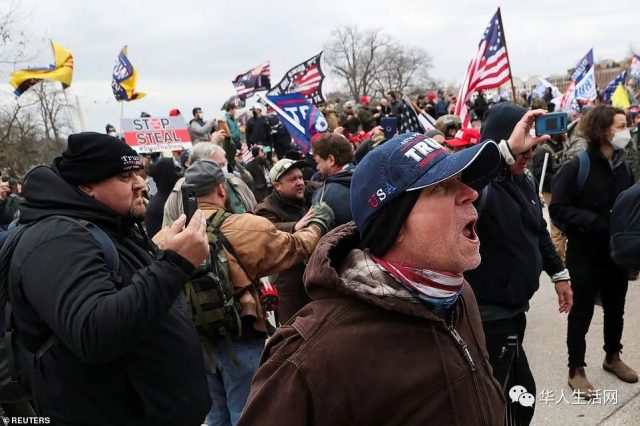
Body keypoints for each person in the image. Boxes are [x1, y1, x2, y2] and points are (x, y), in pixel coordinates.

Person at [239, 114, 548, 425]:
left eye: (462, 182)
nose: (471, 194)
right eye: (442, 187)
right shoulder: (311, 357)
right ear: (395, 224)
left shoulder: (458, 295)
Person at [7, 133, 211, 425]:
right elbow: (94, 331)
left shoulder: (113, 224)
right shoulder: (57, 238)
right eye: (125, 176)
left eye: (139, 172)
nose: (141, 183)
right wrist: (175, 263)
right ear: (87, 185)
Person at [155, 159, 333, 426]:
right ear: (221, 189)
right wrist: (319, 221)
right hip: (241, 331)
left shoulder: (165, 237)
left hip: (195, 336)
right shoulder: (248, 226)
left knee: (216, 416)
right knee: (248, 410)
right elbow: (298, 246)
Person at [465, 103, 572, 425]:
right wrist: (504, 154)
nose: (528, 154)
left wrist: (559, 274)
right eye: (521, 145)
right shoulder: (475, 187)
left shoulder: (522, 181)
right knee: (498, 396)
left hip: (516, 309)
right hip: (488, 314)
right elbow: (467, 186)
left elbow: (537, 231)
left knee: (517, 392)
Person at [550, 105, 637, 397]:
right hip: (585, 254)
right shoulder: (578, 165)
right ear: (603, 130)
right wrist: (592, 222)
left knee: (616, 310)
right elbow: (558, 209)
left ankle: (612, 356)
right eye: (621, 125)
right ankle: (576, 369)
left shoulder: (624, 167)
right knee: (581, 313)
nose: (626, 131)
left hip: (616, 256)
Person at [255, 159, 319, 323]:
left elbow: (330, 187)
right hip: (290, 285)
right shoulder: (266, 208)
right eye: (292, 180)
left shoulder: (312, 190)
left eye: (300, 177)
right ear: (277, 186)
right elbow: (266, 230)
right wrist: (294, 226)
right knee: (295, 332)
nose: (299, 183)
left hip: (319, 277)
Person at [162, 143, 257, 228]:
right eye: (218, 166)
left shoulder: (236, 183)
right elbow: (168, 231)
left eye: (223, 165)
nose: (222, 170)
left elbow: (255, 213)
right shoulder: (178, 193)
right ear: (198, 166)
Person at [531, 132, 568, 262]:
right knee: (557, 226)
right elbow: (538, 175)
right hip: (552, 191)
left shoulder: (563, 145)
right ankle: (560, 259)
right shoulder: (544, 151)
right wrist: (560, 178)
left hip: (564, 189)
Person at [311, 133, 355, 226]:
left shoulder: (323, 196)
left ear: (331, 160)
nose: (317, 167)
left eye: (318, 162)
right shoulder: (368, 175)